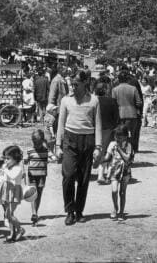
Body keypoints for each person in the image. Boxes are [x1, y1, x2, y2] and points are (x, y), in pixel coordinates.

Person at [56, 70, 103, 225]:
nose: (73, 87)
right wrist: (58, 145)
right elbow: (60, 125)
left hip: (88, 141)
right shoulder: (65, 100)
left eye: (76, 84)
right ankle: (69, 210)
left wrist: (98, 147)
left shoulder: (94, 100)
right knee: (68, 175)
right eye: (72, 84)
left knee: (83, 179)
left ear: (85, 83)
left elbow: (98, 125)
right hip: (70, 140)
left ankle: (79, 210)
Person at [0, 145, 25, 242]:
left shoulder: (17, 168)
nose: (6, 161)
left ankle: (20, 229)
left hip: (14, 192)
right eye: (5, 158)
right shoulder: (8, 167)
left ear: (15, 158)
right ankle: (12, 233)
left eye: (8, 158)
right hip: (7, 191)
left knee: (9, 214)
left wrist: (5, 169)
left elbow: (13, 176)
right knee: (8, 214)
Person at [25, 129, 56, 226]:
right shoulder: (30, 150)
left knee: (39, 194)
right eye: (35, 143)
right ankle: (34, 213)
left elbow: (54, 158)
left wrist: (49, 160)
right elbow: (25, 160)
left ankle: (36, 212)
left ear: (42, 141)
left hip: (42, 175)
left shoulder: (46, 150)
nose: (36, 146)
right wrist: (25, 160)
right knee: (33, 193)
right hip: (32, 175)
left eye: (38, 143)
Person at [104, 124, 134, 221]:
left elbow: (127, 159)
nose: (117, 138)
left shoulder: (128, 145)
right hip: (114, 170)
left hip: (125, 171)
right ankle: (115, 208)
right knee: (114, 190)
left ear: (125, 136)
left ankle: (121, 212)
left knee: (122, 192)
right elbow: (107, 157)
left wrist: (119, 149)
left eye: (120, 136)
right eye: (116, 136)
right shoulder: (112, 144)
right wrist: (100, 158)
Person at [112, 70, 143, 153]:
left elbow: (113, 103)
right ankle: (129, 154)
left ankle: (121, 153)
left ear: (118, 79)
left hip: (119, 115)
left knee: (119, 135)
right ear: (128, 79)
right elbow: (139, 102)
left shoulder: (115, 90)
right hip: (132, 115)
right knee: (130, 136)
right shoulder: (133, 89)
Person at [96, 81, 120, 184]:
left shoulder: (93, 100)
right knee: (106, 152)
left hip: (94, 129)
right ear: (106, 89)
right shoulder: (112, 101)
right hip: (108, 129)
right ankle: (102, 175)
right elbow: (116, 118)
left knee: (96, 150)